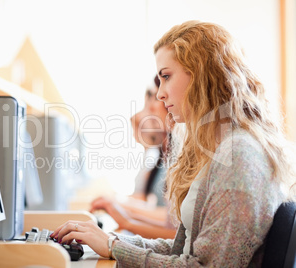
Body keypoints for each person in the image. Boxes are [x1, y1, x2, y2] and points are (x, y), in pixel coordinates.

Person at [50, 20, 296, 267]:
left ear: (201, 73)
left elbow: (203, 265)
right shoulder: (219, 148)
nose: (160, 93)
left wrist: (115, 246)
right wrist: (111, 241)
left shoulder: (239, 156)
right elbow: (182, 249)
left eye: (166, 76)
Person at [89, 75, 177, 239]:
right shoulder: (161, 155)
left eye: (153, 96)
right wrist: (121, 210)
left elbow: (171, 222)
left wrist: (122, 209)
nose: (151, 104)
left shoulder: (177, 155)